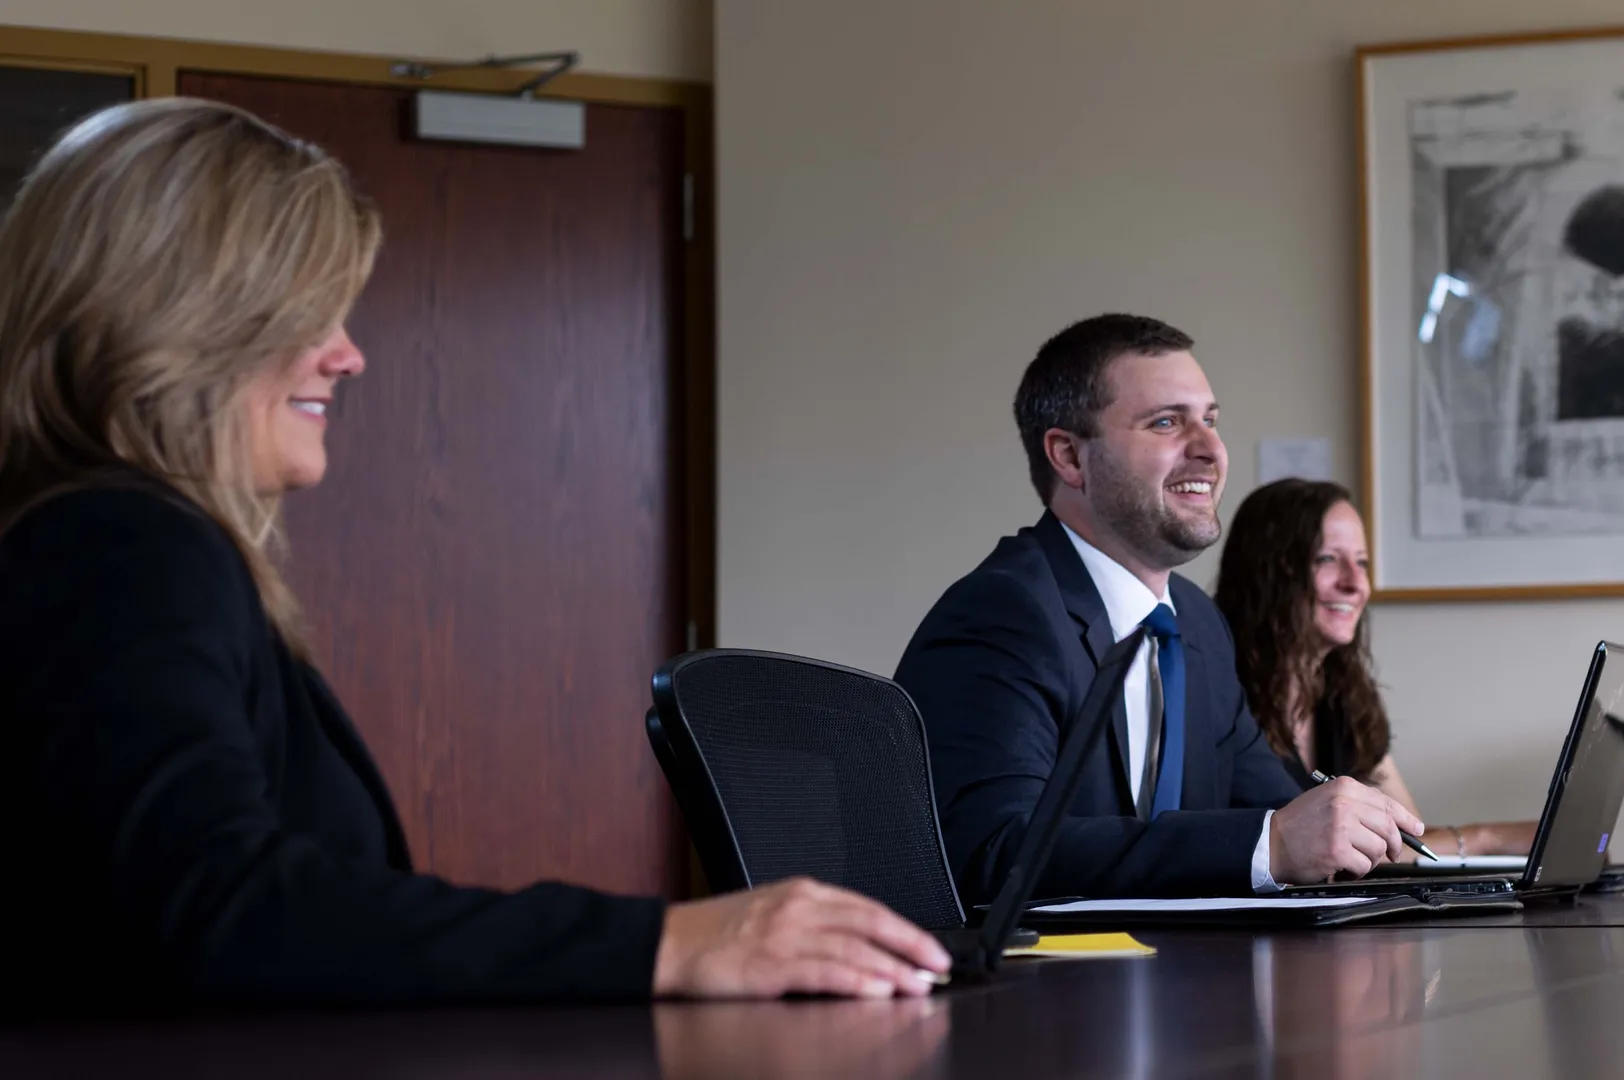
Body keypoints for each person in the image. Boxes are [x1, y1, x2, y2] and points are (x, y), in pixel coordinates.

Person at [0, 98, 947, 1007]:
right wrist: (677, 944)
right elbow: (212, 905)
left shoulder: (107, 540)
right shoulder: (119, 544)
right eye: (307, 315)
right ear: (184, 320)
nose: (348, 355)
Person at [895, 314, 1424, 905]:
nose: (1210, 450)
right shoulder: (1003, 615)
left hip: (1188, 982)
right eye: (1167, 422)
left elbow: (1282, 811)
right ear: (1069, 457)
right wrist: (1269, 844)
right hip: (1036, 993)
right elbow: (990, 856)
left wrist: (1353, 833)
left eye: (1211, 420)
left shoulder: (1195, 623)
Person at [1214, 479, 1535, 858]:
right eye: (1327, 559)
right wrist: (1485, 840)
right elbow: (1350, 853)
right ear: (1267, 571)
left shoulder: (1343, 690)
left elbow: (1404, 838)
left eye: (1361, 562)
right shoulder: (1217, 685)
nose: (1355, 583)